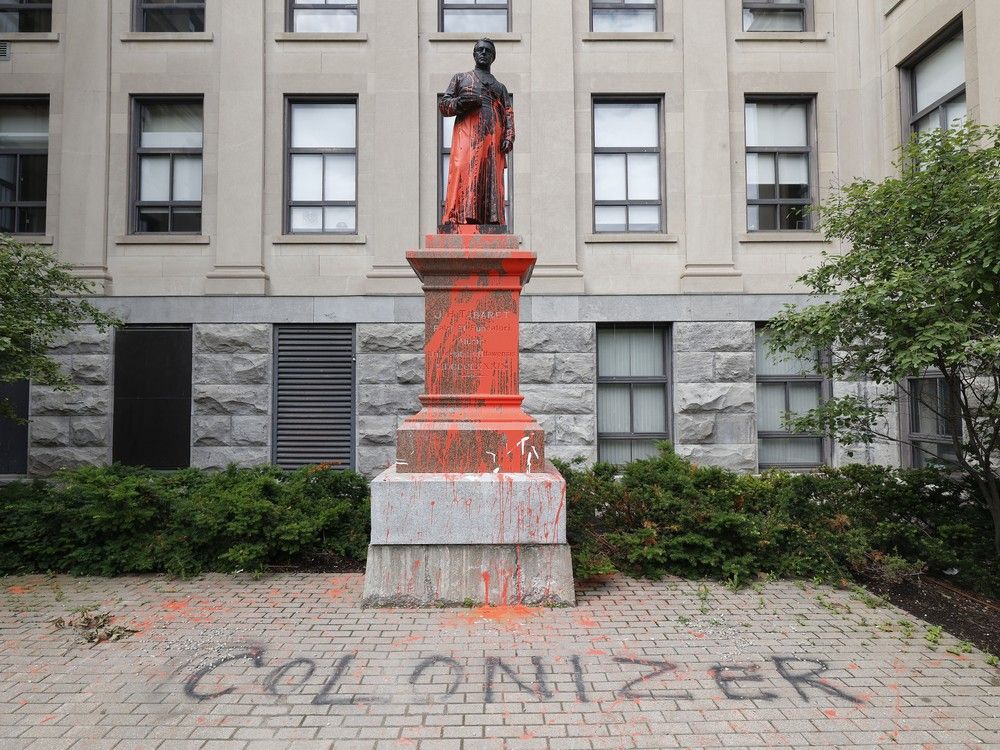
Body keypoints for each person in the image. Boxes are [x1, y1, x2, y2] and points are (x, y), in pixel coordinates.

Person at [439, 39, 514, 228]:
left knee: (491, 178)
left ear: (493, 57)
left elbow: (508, 114)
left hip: (492, 137)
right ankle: (458, 217)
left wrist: (508, 137)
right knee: (463, 171)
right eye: (479, 50)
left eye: (487, 50)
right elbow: (444, 106)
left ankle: (491, 220)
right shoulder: (461, 78)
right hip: (467, 134)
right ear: (474, 54)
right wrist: (461, 103)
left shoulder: (500, 87)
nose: (483, 53)